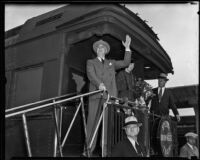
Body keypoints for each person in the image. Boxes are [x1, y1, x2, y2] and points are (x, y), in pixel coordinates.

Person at [86, 35, 132, 156]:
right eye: (98, 48)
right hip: (96, 95)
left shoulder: (111, 63)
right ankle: (88, 151)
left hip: (109, 98)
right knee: (92, 124)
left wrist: (127, 48)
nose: (100, 49)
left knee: (107, 125)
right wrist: (99, 84)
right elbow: (91, 74)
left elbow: (126, 62)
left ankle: (105, 151)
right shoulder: (90, 62)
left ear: (106, 51)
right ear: (96, 50)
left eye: (103, 48)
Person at [149, 73, 180, 155]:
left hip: (165, 118)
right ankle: (153, 150)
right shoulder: (152, 91)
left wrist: (176, 114)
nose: (160, 82)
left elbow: (172, 105)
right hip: (154, 117)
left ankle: (164, 151)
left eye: (161, 80)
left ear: (165, 82)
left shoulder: (168, 92)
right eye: (159, 80)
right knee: (153, 134)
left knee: (163, 135)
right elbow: (147, 101)